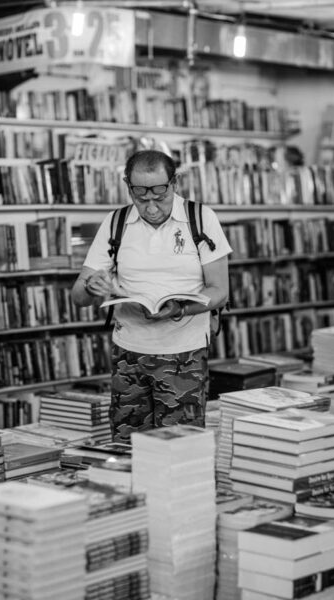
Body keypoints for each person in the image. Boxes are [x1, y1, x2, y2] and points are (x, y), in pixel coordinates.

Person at [72, 149, 232, 443]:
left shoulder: (200, 218)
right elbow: (78, 297)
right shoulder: (115, 223)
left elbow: (220, 292)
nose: (151, 205)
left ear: (175, 182)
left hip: (184, 355)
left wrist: (178, 309)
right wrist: (91, 286)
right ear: (127, 184)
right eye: (141, 196)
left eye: (160, 195)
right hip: (128, 356)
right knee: (126, 449)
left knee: (180, 449)